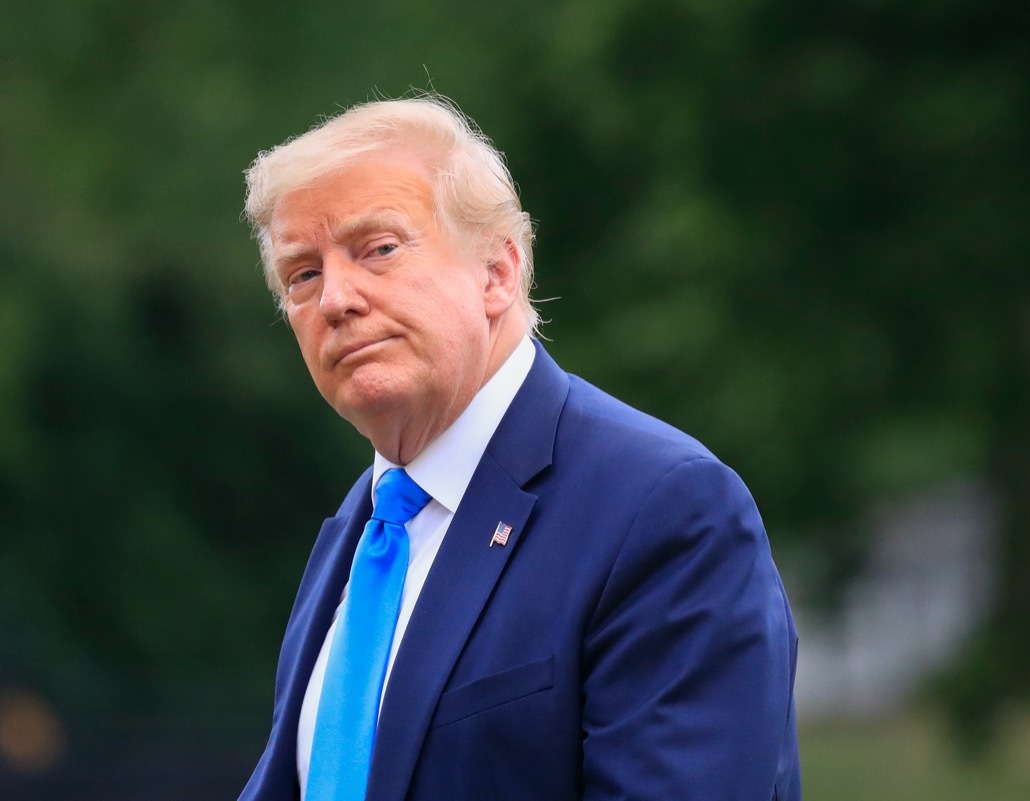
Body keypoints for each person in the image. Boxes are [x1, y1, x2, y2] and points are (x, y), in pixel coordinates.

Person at [238, 94, 802, 801]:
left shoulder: (664, 508)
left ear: (497, 273)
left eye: (378, 249)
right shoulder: (368, 528)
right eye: (303, 274)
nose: (336, 300)